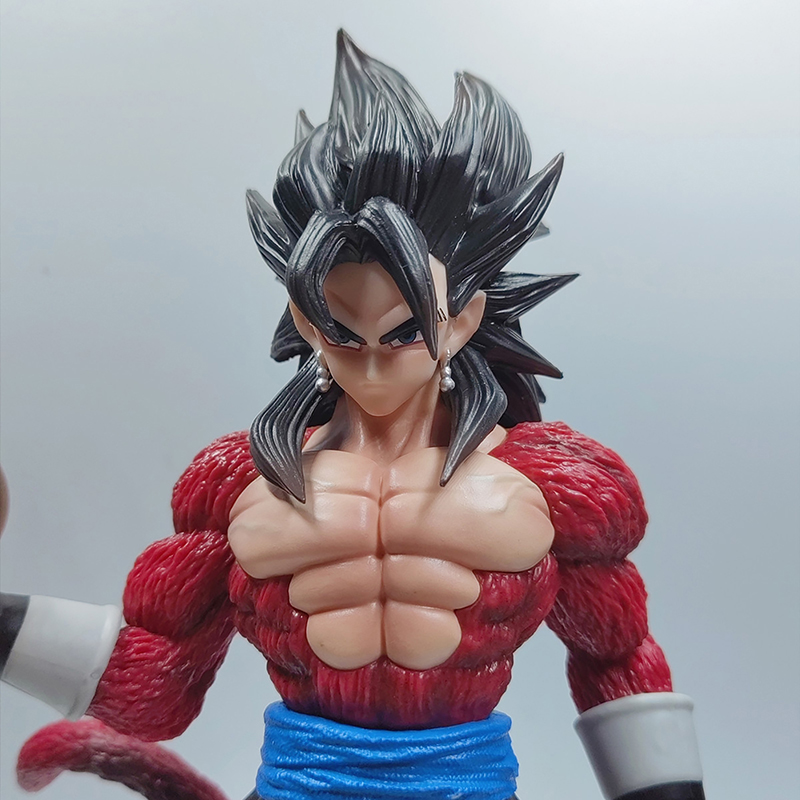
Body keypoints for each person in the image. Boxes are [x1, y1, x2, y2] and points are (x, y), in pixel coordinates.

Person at [1, 31, 704, 800]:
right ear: (307, 321)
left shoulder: (551, 487)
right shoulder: (240, 484)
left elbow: (617, 657)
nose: (371, 365)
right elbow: (156, 680)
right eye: (342, 332)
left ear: (463, 317)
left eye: (402, 333)